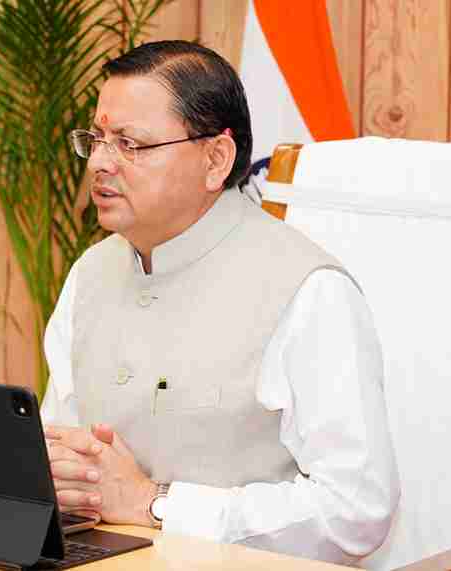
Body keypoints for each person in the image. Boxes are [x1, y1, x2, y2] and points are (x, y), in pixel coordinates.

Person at [40, 40, 399, 565]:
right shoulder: (90, 273)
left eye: (129, 144)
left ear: (215, 159)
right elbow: (62, 448)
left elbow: (357, 510)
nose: (99, 162)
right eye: (96, 139)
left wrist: (155, 504)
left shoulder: (307, 289)